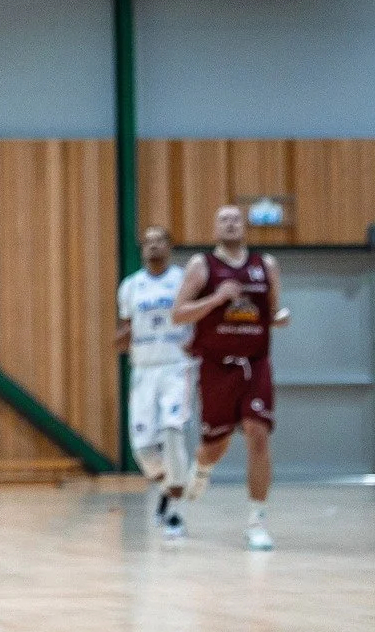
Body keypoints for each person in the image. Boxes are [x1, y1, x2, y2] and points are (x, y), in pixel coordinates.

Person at [173, 204, 290, 551]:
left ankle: (257, 522)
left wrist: (279, 318)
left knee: (258, 433)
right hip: (216, 367)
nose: (231, 224)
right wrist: (216, 298)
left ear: (244, 227)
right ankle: (201, 467)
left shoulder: (266, 265)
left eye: (236, 219)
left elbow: (271, 311)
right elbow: (178, 314)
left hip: (255, 364)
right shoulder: (202, 265)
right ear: (215, 228)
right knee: (215, 446)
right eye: (224, 219)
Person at [115, 225, 194, 539]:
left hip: (176, 365)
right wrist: (120, 340)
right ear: (142, 248)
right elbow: (126, 329)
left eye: (159, 240)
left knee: (172, 431)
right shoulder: (130, 286)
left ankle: (176, 511)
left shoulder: (183, 280)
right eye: (148, 241)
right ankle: (167, 489)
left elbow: (197, 317)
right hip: (144, 369)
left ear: (169, 246)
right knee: (143, 448)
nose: (153, 246)